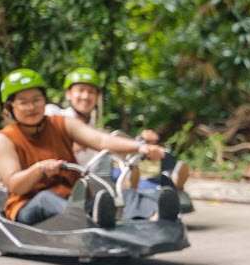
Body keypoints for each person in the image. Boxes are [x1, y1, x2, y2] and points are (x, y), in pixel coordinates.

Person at [0, 68, 179, 228]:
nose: (32, 107)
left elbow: (101, 140)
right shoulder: (5, 138)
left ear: (44, 100)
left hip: (73, 199)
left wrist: (140, 147)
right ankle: (96, 222)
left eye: (36, 100)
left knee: (121, 194)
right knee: (46, 199)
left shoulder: (62, 123)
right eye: (23, 102)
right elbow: (14, 184)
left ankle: (154, 215)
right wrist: (39, 169)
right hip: (27, 205)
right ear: (9, 108)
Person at [44, 67, 190, 191]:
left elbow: (107, 141)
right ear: (68, 93)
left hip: (99, 173)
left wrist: (142, 142)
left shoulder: (94, 128)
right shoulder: (55, 115)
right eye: (80, 90)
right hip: (74, 179)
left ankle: (170, 183)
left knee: (148, 178)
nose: (85, 96)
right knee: (120, 177)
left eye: (91, 92)